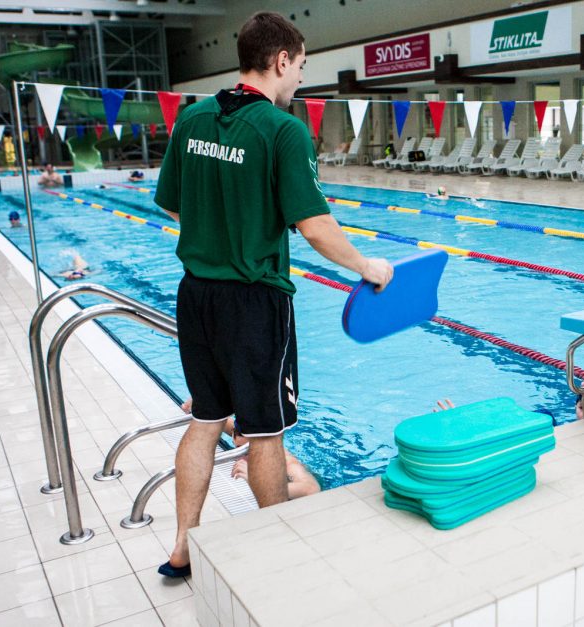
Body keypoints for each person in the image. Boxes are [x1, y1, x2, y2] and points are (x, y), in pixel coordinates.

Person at [153, 11, 392, 579]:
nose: (300, 81)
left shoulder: (193, 119)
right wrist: (368, 265)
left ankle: (183, 546)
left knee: (206, 421)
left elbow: (171, 204)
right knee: (265, 431)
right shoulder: (283, 130)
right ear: (281, 60)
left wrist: (219, 228)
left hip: (196, 294)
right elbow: (314, 226)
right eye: (301, 68)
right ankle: (282, 548)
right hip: (253, 301)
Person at [180, 399, 320, 499]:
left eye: (250, 450)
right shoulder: (238, 431)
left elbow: (311, 489)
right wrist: (197, 403)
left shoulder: (286, 460)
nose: (243, 454)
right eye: (239, 448)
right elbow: (217, 418)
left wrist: (257, 482)